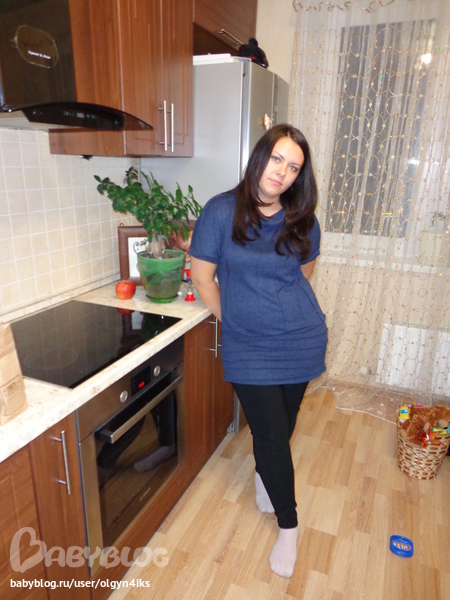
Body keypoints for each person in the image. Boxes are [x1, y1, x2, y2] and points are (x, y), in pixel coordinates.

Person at [189, 124, 328, 579]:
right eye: (277, 159)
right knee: (270, 434)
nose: (283, 172)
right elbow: (203, 279)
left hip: (301, 338)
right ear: (260, 157)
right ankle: (289, 527)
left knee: (280, 427)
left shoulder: (303, 219)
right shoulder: (220, 211)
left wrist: (273, 311)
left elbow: (302, 276)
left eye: (294, 167)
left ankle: (266, 474)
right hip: (247, 344)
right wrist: (238, 320)